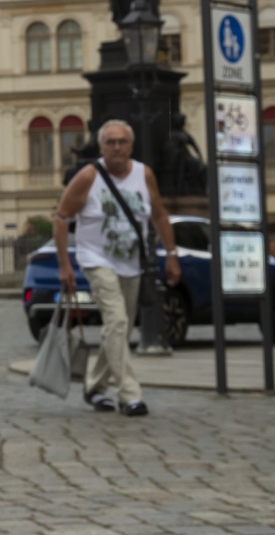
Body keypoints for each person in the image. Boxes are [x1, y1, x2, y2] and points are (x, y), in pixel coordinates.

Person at [54, 119, 181, 417]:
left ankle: (95, 387)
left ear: (131, 147)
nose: (117, 147)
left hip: (132, 262)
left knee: (118, 329)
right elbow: (61, 218)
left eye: (122, 142)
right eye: (110, 142)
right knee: (117, 321)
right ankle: (129, 394)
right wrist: (65, 265)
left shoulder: (144, 174)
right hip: (96, 259)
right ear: (101, 148)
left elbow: (159, 215)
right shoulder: (88, 176)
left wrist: (172, 254)